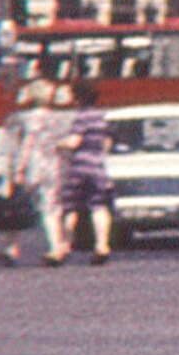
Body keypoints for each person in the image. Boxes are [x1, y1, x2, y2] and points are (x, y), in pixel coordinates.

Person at [1, 78, 71, 265]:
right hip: (54, 164)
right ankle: (56, 246)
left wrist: (19, 169)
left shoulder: (27, 119)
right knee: (51, 208)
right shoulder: (57, 118)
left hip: (34, 165)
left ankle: (11, 247)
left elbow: (27, 144)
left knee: (17, 207)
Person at [58, 77, 116, 265]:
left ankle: (65, 245)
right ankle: (102, 246)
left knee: (71, 208)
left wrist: (60, 144)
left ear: (78, 97)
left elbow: (74, 141)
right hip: (98, 166)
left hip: (80, 167)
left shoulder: (81, 118)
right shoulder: (101, 117)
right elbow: (107, 143)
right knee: (99, 207)